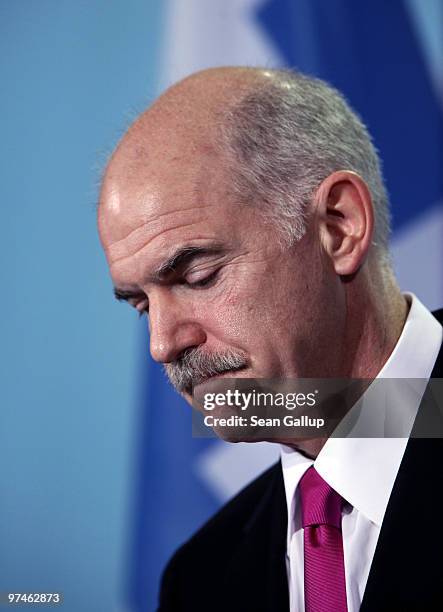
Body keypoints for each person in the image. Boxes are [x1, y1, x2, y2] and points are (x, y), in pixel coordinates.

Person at [97, 67, 443, 611]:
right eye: (142, 305)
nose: (163, 344)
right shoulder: (198, 582)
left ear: (338, 226)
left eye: (197, 276)